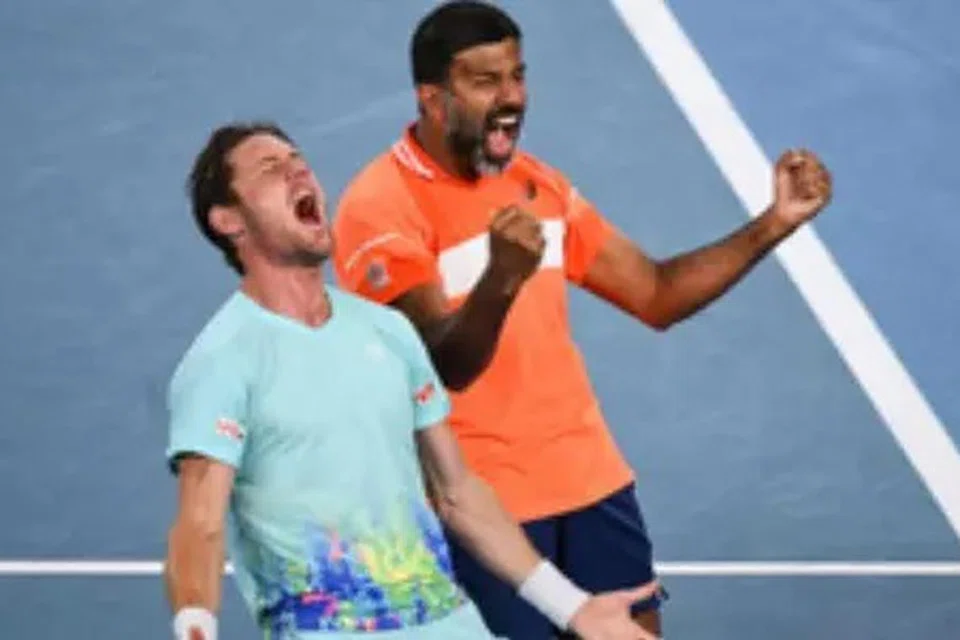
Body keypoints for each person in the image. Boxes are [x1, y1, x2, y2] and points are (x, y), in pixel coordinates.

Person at [331, 2, 833, 638]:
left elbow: (656, 294)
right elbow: (443, 364)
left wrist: (775, 222)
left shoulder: (538, 185)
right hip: (486, 514)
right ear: (434, 99)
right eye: (486, 82)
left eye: (517, 76)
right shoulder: (380, 207)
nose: (512, 98)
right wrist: (501, 279)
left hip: (593, 485)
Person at [162, 121, 662, 640]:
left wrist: (573, 609)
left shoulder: (389, 331)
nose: (299, 172)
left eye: (298, 161)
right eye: (272, 169)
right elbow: (200, 524)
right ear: (228, 220)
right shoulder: (223, 360)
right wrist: (195, 628)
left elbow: (457, 494)